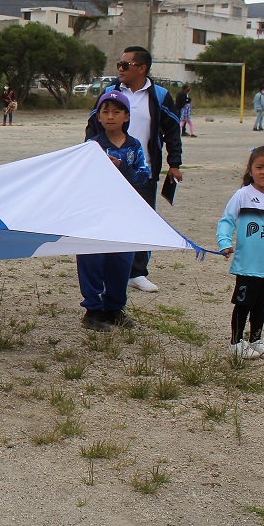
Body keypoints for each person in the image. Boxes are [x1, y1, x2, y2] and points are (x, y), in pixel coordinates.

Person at [86, 45, 182, 294]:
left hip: (143, 171)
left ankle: (137, 273)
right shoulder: (110, 93)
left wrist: (175, 164)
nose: (120, 69)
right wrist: (91, 155)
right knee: (107, 218)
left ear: (142, 68)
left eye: (125, 65)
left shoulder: (160, 96)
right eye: (119, 64)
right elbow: (92, 126)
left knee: (141, 220)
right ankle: (107, 268)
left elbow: (172, 131)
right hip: (109, 172)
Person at [76, 91, 151, 332]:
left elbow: (144, 175)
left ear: (127, 116)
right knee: (92, 257)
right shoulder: (92, 145)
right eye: (104, 111)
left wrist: (123, 168)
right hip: (96, 211)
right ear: (97, 116)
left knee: (121, 258)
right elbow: (82, 175)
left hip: (124, 212)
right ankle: (93, 310)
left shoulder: (134, 146)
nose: (110, 116)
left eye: (116, 111)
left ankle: (115, 308)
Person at [217, 146, 264, 360]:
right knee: (244, 303)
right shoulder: (243, 194)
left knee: (261, 304)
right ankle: (235, 342)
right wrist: (224, 242)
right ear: (250, 170)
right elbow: (227, 221)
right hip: (248, 264)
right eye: (260, 167)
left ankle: (256, 339)